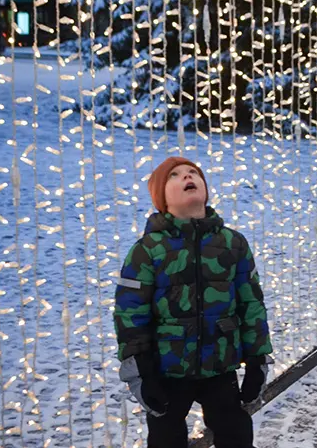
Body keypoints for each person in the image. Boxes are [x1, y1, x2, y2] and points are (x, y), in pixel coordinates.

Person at [114, 157, 273, 448]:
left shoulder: (232, 244)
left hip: (221, 367)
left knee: (236, 435)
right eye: (174, 175)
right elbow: (129, 312)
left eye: (193, 173)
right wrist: (143, 371)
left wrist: (256, 359)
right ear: (161, 198)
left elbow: (251, 303)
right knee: (165, 439)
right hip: (167, 370)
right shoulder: (148, 250)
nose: (187, 176)